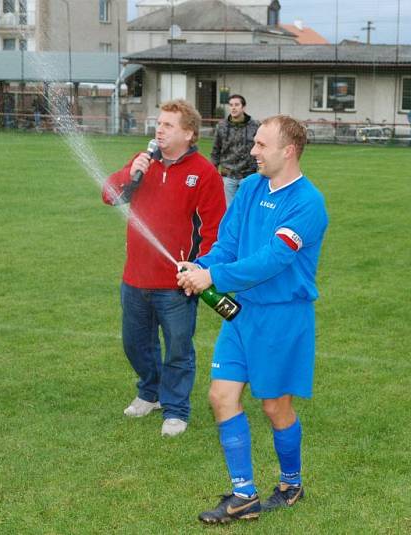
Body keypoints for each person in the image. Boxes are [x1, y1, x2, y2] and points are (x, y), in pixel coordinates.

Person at [177, 115, 329, 524]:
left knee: (275, 406)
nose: (252, 151)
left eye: (261, 145)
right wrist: (201, 267)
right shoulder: (248, 188)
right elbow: (227, 244)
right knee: (220, 396)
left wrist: (214, 277)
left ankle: (291, 482)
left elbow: (274, 259)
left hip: (281, 319)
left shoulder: (308, 203)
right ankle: (244, 495)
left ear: (288, 151)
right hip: (241, 316)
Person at [102, 99, 225, 437]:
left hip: (176, 284)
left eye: (169, 125)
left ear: (189, 133)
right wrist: (131, 172)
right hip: (135, 278)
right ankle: (150, 392)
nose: (159, 128)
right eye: (159, 123)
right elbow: (108, 195)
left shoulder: (204, 173)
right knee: (135, 344)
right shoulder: (142, 163)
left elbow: (215, 230)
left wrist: (200, 269)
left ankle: (176, 409)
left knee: (178, 349)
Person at [210, 94, 260, 207]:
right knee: (229, 210)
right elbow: (215, 151)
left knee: (247, 209)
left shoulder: (255, 126)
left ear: (243, 107)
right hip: (228, 177)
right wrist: (213, 173)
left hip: (248, 176)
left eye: (237, 105)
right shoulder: (221, 126)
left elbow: (261, 149)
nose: (233, 107)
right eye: (231, 105)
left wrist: (260, 172)